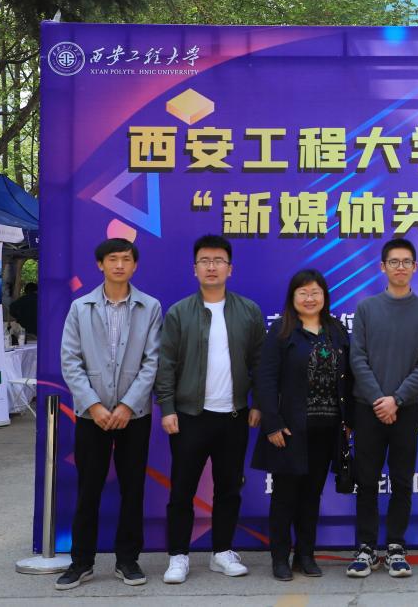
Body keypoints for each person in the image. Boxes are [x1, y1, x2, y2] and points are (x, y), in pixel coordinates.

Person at [155, 234, 266, 584]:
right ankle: (178, 556)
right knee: (182, 489)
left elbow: (260, 363)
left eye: (219, 261)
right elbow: (166, 363)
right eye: (205, 261)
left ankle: (222, 552)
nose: (212, 267)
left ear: (230, 269)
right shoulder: (179, 312)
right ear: (195, 269)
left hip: (234, 416)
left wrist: (258, 404)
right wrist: (167, 407)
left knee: (229, 488)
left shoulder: (248, 311)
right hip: (190, 416)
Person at [55, 239, 162, 590]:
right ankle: (81, 562)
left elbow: (152, 361)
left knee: (133, 488)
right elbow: (70, 361)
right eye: (112, 259)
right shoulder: (80, 307)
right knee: (89, 488)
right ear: (100, 264)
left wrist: (128, 405)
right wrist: (94, 405)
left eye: (126, 259)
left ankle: (127, 560)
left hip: (135, 414)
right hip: (92, 416)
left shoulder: (150, 307)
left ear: (135, 265)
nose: (119, 265)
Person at [251, 269, 352, 581]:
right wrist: (272, 424)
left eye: (315, 292)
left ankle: (305, 555)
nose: (310, 298)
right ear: (293, 297)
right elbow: (265, 378)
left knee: (311, 495)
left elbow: (349, 377)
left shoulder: (336, 330)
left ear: (324, 296)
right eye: (303, 293)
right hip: (290, 429)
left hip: (327, 428)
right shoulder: (282, 331)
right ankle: (280, 558)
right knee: (285, 496)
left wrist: (349, 420)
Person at [347, 239, 418, 579]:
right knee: (367, 480)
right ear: (382, 267)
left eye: (406, 262)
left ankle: (396, 547)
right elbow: (357, 358)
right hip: (367, 408)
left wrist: (396, 399)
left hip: (406, 409)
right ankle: (366, 548)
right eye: (394, 262)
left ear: (415, 267)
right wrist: (379, 400)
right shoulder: (366, 308)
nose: (400, 267)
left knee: (401, 480)